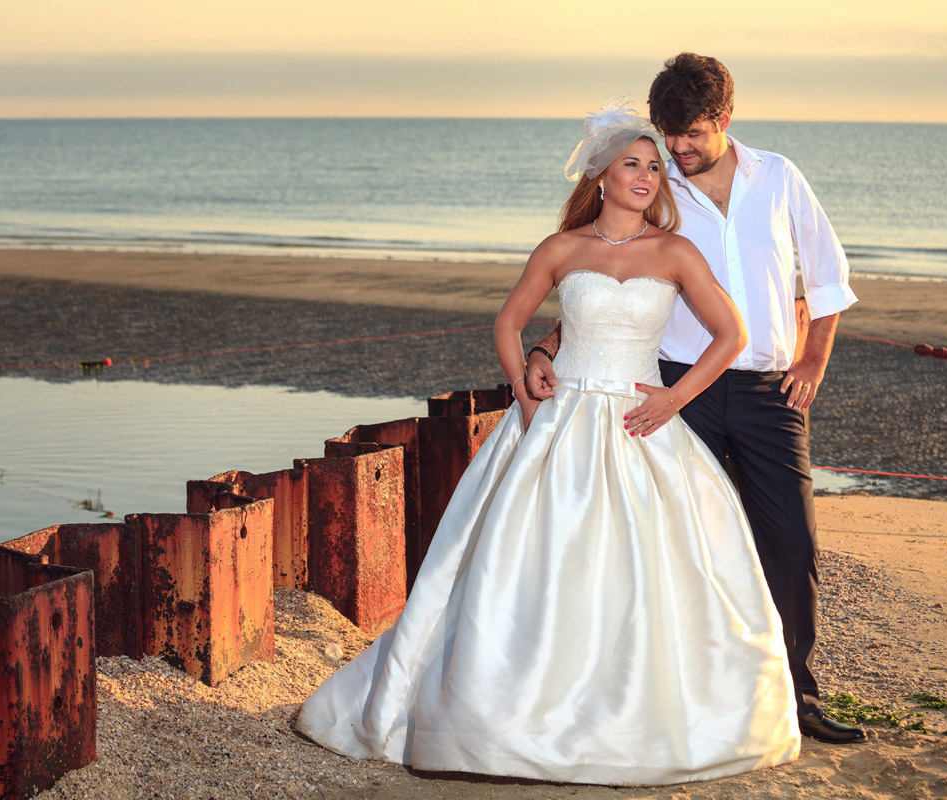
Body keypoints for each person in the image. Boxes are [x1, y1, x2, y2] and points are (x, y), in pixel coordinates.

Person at [295, 102, 801, 786]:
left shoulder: (676, 252)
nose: (648, 175)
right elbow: (508, 324)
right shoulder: (562, 249)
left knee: (648, 573)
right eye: (633, 164)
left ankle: (639, 719)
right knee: (526, 567)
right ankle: (504, 718)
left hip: (639, 423)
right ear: (601, 176)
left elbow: (732, 335)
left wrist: (674, 400)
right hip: (558, 422)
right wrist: (524, 382)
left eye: (655, 166)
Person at [526, 53, 863, 745]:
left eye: (691, 134)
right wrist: (548, 347)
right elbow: (609, 274)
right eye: (668, 132)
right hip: (676, 390)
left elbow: (828, 279)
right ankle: (696, 696)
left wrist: (813, 361)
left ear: (724, 120)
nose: (677, 149)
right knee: (684, 547)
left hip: (771, 393)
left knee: (790, 544)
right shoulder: (655, 185)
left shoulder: (779, 178)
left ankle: (796, 696)